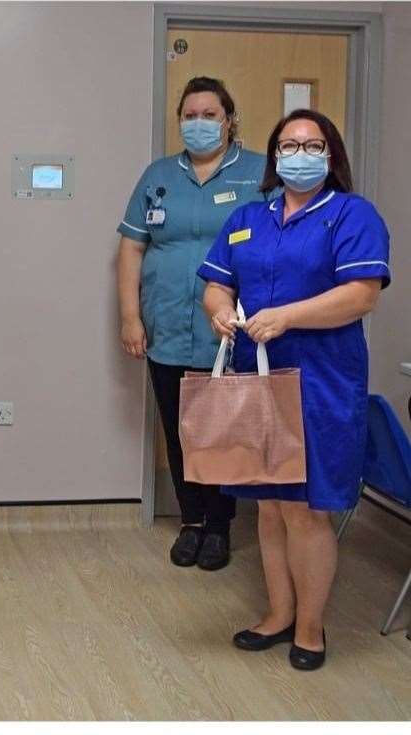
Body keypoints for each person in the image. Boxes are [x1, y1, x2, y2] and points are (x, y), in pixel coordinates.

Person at [199, 109, 390, 670]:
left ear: (330, 155)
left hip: (321, 382)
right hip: (255, 380)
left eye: (312, 144)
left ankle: (310, 627)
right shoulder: (247, 218)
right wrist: (219, 312)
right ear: (273, 155)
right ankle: (278, 614)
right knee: (270, 507)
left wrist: (285, 317)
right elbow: (217, 282)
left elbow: (361, 295)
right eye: (288, 144)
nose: (299, 154)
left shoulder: (352, 215)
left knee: (307, 510)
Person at [116, 76, 267, 570]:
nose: (198, 124)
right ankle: (192, 521)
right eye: (189, 115)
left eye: (209, 115)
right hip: (167, 324)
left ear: (229, 121)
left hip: (229, 329)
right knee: (179, 429)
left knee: (221, 428)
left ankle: (221, 524)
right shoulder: (159, 175)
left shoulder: (258, 173)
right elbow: (132, 247)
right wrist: (131, 317)